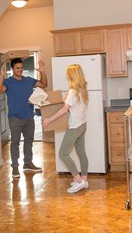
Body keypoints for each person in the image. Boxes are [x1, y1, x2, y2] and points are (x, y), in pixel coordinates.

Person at [0, 57, 47, 178]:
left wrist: (43, 71)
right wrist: (1, 76)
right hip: (15, 118)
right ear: (12, 68)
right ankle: (15, 168)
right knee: (15, 143)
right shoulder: (7, 82)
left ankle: (28, 163)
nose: (20, 70)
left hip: (29, 116)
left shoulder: (29, 80)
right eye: (17, 68)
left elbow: (44, 84)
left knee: (29, 141)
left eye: (22, 67)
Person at [41, 64, 89, 193]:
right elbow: (72, 105)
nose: (67, 76)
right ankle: (84, 179)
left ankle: (79, 181)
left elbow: (64, 109)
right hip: (82, 125)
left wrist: (48, 120)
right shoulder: (83, 88)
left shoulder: (72, 91)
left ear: (72, 75)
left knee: (63, 153)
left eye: (68, 74)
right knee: (81, 153)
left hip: (74, 127)